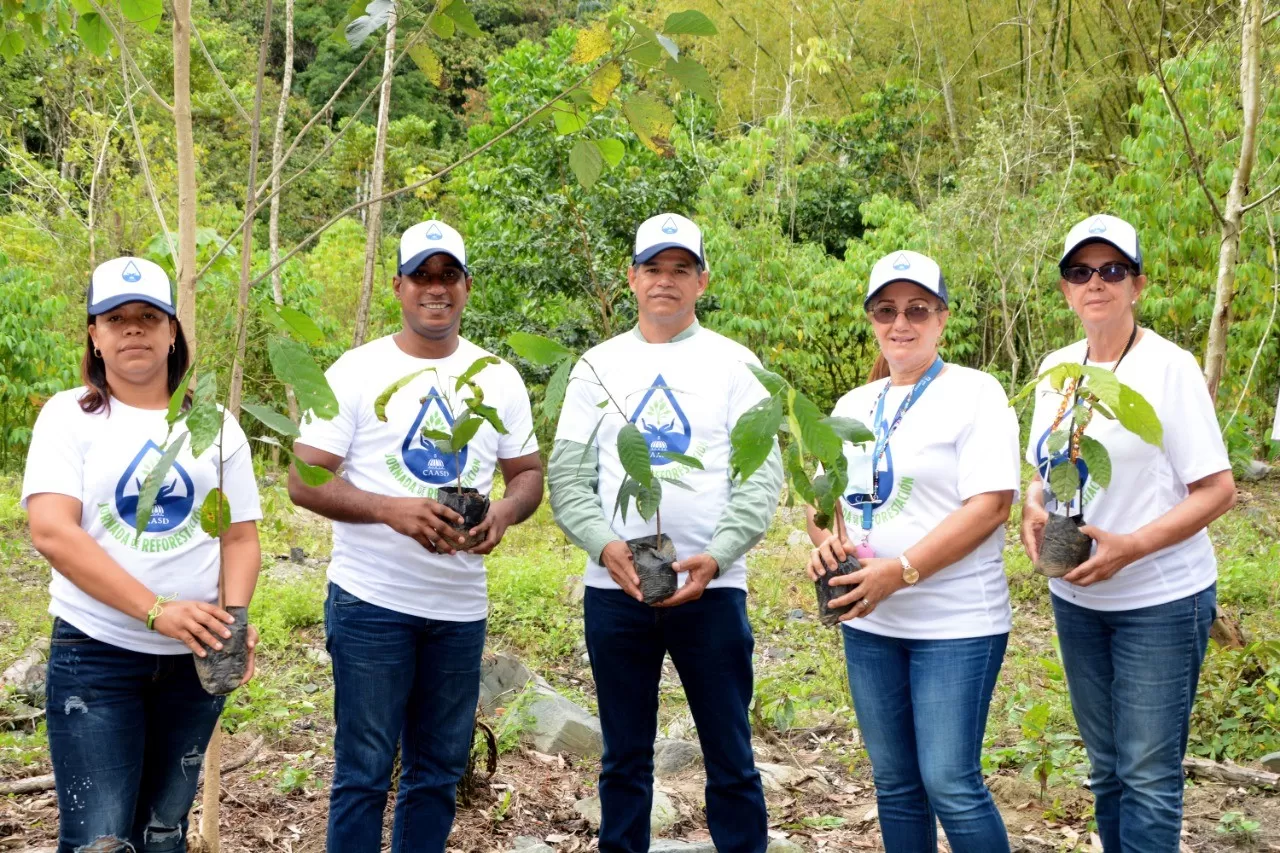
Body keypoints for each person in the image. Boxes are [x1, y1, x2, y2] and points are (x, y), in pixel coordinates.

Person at [289, 220, 544, 853]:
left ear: (466, 287)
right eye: (422, 277)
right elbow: (303, 479)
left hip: (459, 609)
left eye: (448, 276)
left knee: (437, 770)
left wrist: (505, 514)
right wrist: (389, 508)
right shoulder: (356, 371)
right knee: (364, 770)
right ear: (397, 286)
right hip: (371, 603)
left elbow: (528, 475)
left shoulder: (497, 377)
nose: (436, 289)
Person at [549, 213, 783, 853]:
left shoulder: (737, 364)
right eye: (654, 267)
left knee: (730, 755)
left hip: (712, 591)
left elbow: (761, 479)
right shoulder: (597, 368)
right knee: (623, 756)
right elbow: (568, 476)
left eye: (681, 268)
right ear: (632, 277)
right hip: (614, 591)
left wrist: (717, 555)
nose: (666, 281)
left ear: (702, 280)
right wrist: (605, 545)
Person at [22, 256, 261, 853]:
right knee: (99, 840)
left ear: (173, 330)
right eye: (116, 317)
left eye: (149, 316)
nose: (134, 328)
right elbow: (52, 531)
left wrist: (235, 620)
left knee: (161, 835)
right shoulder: (70, 417)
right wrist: (157, 609)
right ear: (94, 335)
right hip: (95, 655)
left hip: (193, 660)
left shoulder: (216, 427)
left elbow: (239, 538)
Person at [1021, 214, 1236, 851]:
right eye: (1080, 272)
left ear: (1137, 284)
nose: (1096, 283)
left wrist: (1133, 546)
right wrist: (1033, 503)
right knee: (1106, 768)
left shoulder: (1170, 368)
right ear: (1065, 289)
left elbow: (1219, 489)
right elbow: (1049, 468)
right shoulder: (1057, 368)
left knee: (1146, 772)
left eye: (1112, 270)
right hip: (1079, 599)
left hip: (1160, 601)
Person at [807, 250, 1019, 853]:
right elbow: (823, 503)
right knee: (896, 783)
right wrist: (826, 545)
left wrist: (899, 573)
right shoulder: (852, 405)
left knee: (950, 781)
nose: (901, 323)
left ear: (942, 318)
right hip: (871, 621)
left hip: (955, 623)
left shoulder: (976, 393)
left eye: (917, 309)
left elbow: (990, 505)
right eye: (886, 310)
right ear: (872, 318)